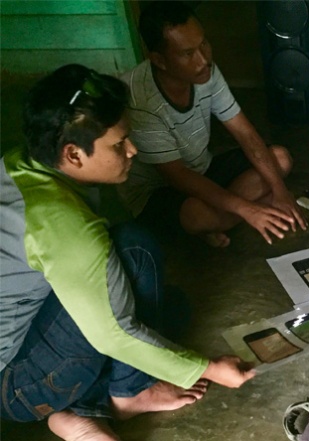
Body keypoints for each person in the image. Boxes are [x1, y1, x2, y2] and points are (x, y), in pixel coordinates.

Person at [0, 64, 255, 440]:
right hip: (17, 387)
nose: (133, 150)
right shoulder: (63, 225)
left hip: (24, 346)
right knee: (135, 250)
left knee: (172, 307)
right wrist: (209, 368)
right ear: (73, 154)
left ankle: (72, 410)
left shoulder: (21, 163)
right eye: (119, 144)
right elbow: (115, 335)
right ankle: (123, 396)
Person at [119, 0, 305, 248]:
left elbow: (245, 133)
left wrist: (280, 192)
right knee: (198, 214)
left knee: (280, 159)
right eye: (187, 53)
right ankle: (222, 219)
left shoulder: (205, 71)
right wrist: (248, 209)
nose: (203, 59)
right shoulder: (140, 99)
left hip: (202, 169)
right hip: (161, 191)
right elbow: (177, 176)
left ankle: (220, 222)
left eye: (204, 43)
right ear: (159, 60)